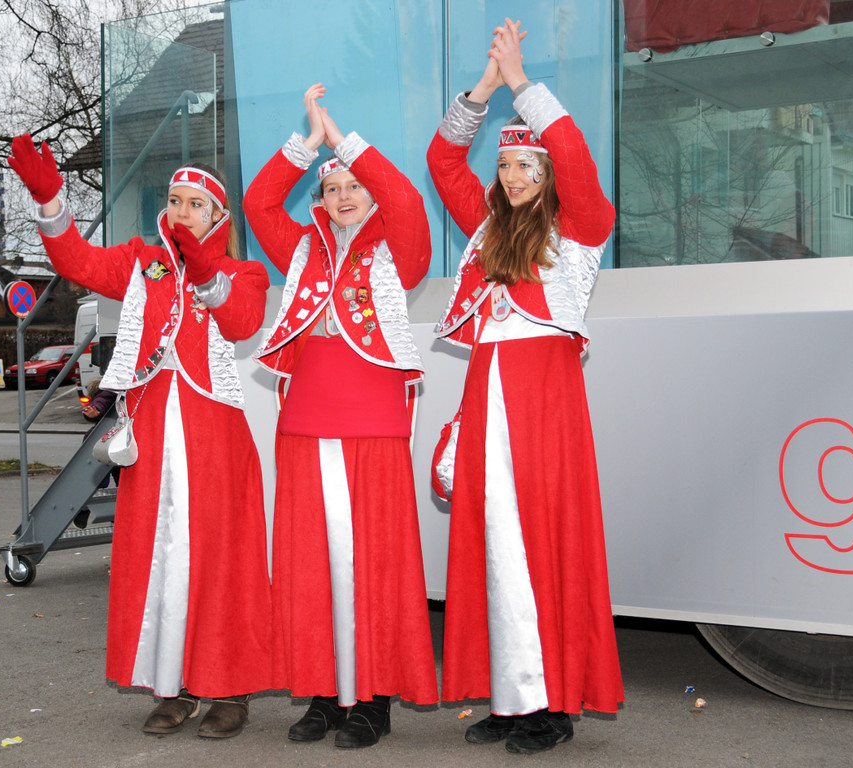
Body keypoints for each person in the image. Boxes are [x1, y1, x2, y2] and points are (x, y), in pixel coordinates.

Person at [7, 135, 273, 739]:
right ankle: (171, 685)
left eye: (195, 204)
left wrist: (203, 266)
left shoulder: (241, 271)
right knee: (158, 559)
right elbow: (75, 260)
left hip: (216, 439)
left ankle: (229, 689)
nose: (181, 211)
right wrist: (49, 200)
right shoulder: (141, 262)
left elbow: (242, 320)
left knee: (220, 559)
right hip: (151, 434)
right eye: (174, 200)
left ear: (218, 219)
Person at [426, 19, 624, 754]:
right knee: (493, 546)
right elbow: (442, 158)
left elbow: (572, 155)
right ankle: (511, 698)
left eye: (527, 168)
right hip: (489, 396)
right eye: (507, 168)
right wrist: (481, 88)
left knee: (543, 544)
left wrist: (520, 83)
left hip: (543, 401)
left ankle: (553, 705)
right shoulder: (482, 235)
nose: (513, 178)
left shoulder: (581, 229)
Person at [243, 83, 438, 749]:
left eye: (354, 185)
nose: (345, 195)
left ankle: (373, 700)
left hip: (374, 422)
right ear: (319, 200)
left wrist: (343, 140)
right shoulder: (299, 250)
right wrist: (306, 143)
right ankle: (325, 693)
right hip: (303, 422)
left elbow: (409, 198)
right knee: (311, 563)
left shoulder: (398, 248)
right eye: (332, 188)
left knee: (373, 561)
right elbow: (256, 202)